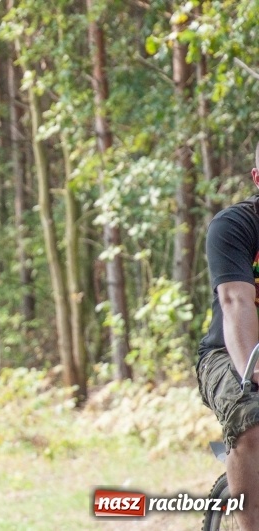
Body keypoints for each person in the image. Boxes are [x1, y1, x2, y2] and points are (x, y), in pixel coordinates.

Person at [198, 140, 259, 529]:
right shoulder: (235, 226)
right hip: (228, 354)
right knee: (254, 416)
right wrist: (254, 370)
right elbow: (235, 301)